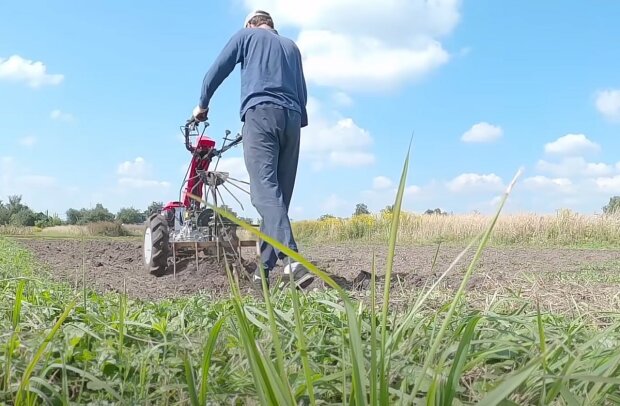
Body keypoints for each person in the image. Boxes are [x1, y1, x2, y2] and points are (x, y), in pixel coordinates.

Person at [191, 10, 313, 290]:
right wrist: (292, 123)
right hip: (293, 119)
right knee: (278, 197)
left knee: (263, 193)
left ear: (250, 23)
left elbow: (216, 71)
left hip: (261, 113)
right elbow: (302, 92)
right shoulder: (292, 47)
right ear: (271, 24)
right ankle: (262, 272)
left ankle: (292, 262)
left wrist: (202, 105)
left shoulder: (246, 36)